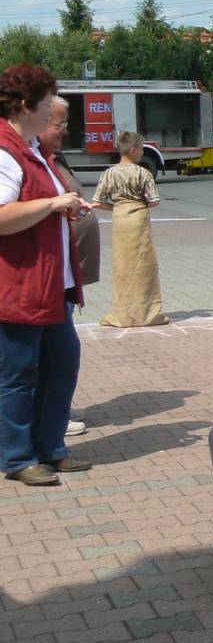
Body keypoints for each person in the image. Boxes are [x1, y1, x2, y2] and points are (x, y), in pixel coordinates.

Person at [0, 63, 92, 486]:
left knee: (62, 365)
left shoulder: (34, 148)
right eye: (45, 104)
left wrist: (65, 204)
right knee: (19, 375)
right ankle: (18, 458)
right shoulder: (6, 150)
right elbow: (2, 217)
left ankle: (51, 448)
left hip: (53, 284)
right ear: (24, 106)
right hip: (20, 284)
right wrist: (52, 206)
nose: (52, 111)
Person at [39, 95, 96, 436]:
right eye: (59, 123)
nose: (65, 130)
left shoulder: (50, 157)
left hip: (62, 276)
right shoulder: (24, 159)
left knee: (61, 355)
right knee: (49, 356)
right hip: (42, 280)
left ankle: (53, 418)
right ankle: (37, 433)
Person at [94, 132, 168, 327]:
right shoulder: (142, 173)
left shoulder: (109, 173)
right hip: (139, 220)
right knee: (144, 266)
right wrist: (138, 204)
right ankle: (147, 312)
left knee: (122, 266)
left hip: (120, 220)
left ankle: (124, 313)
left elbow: (98, 202)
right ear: (133, 150)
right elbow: (154, 200)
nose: (142, 152)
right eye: (142, 149)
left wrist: (117, 207)